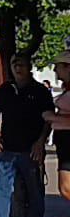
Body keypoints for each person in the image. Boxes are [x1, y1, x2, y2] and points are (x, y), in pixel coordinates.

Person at [0, 53, 53, 217]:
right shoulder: (5, 89)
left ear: (29, 66)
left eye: (21, 64)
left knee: (35, 192)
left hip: (30, 149)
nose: (18, 67)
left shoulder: (40, 91)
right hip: (7, 148)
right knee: (2, 190)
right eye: (14, 63)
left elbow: (47, 120)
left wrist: (41, 142)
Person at [43, 51, 70, 204]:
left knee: (66, 187)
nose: (54, 70)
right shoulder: (66, 89)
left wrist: (54, 117)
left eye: (57, 66)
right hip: (64, 141)